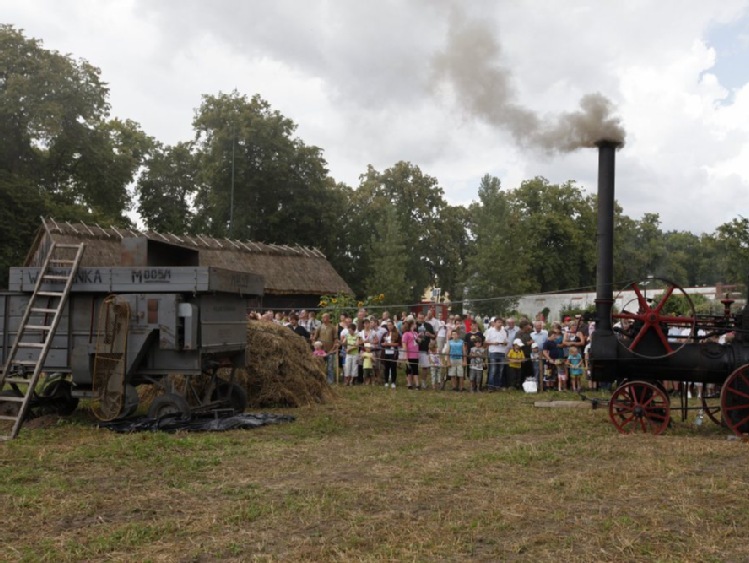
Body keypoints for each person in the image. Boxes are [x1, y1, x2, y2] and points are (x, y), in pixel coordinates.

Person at [314, 313, 338, 384]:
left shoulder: (333, 328)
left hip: (330, 351)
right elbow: (315, 338)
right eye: (322, 318)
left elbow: (335, 339)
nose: (323, 319)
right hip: (321, 351)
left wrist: (332, 349)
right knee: (321, 366)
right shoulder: (319, 327)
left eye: (325, 318)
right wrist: (316, 347)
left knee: (330, 367)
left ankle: (330, 381)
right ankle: (321, 379)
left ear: (328, 318)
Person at [483, 317, 507, 392]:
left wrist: (505, 343)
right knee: (493, 369)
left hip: (502, 352)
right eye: (498, 322)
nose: (500, 324)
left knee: (500, 370)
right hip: (493, 351)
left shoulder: (503, 331)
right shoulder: (490, 331)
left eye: (501, 322)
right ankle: (490, 386)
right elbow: (486, 342)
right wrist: (493, 343)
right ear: (495, 323)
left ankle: (497, 385)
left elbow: (506, 341)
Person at [380, 320, 400, 388]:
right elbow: (381, 343)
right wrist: (384, 344)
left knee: (393, 367)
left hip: (393, 353)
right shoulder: (385, 334)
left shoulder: (396, 333)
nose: (389, 326)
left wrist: (390, 344)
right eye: (388, 325)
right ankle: (386, 381)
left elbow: (398, 343)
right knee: (386, 367)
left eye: (390, 325)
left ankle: (393, 382)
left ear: (393, 325)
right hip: (386, 353)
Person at [401, 321, 420, 390]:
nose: (416, 325)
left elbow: (418, 342)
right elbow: (404, 345)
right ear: (411, 325)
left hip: (415, 354)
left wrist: (420, 338)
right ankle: (409, 384)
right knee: (409, 370)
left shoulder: (415, 333)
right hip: (409, 355)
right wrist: (406, 356)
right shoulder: (406, 334)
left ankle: (417, 384)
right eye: (415, 323)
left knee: (415, 369)